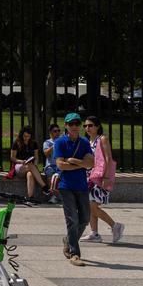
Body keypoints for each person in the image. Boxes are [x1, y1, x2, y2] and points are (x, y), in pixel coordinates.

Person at [54, 113, 93, 266]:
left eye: (77, 123)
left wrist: (72, 160)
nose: (75, 126)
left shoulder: (84, 142)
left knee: (85, 219)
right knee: (72, 219)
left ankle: (69, 240)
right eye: (71, 124)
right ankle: (74, 254)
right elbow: (60, 165)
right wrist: (81, 163)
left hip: (82, 185)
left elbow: (91, 163)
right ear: (66, 125)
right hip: (66, 186)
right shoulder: (60, 142)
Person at [82, 116, 124, 243]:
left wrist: (106, 176)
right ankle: (94, 233)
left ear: (97, 126)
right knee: (90, 206)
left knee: (93, 206)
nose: (87, 128)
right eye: (85, 126)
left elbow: (108, 158)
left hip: (100, 177)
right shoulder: (88, 141)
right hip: (90, 177)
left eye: (90, 125)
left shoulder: (102, 139)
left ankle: (115, 226)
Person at [9, 126, 45, 205]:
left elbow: (36, 156)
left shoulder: (34, 143)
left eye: (28, 136)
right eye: (25, 136)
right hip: (19, 166)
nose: (26, 138)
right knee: (30, 166)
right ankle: (44, 186)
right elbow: (12, 158)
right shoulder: (16, 142)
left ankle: (30, 198)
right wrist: (22, 161)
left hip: (29, 166)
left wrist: (36, 162)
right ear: (21, 135)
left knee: (30, 174)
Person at [42, 124, 61, 204]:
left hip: (60, 164)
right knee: (50, 174)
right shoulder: (47, 142)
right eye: (55, 131)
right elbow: (46, 153)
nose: (57, 133)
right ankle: (53, 196)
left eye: (58, 131)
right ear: (50, 132)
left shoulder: (61, 141)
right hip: (51, 165)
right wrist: (54, 145)